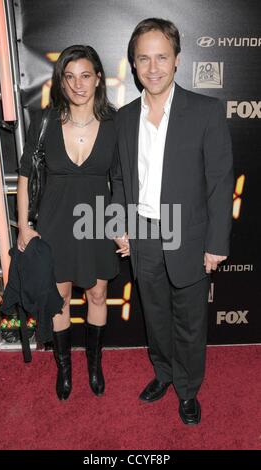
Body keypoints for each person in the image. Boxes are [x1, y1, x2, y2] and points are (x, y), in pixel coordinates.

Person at [111, 18, 234, 425]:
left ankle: (187, 389)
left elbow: (220, 183)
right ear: (133, 64)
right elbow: (120, 177)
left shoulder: (206, 111)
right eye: (143, 58)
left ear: (178, 60)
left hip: (190, 233)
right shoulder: (124, 117)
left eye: (162, 56)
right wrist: (120, 225)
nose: (153, 67)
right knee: (156, 315)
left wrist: (216, 243)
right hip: (143, 232)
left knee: (190, 320)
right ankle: (163, 373)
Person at [17, 45, 120, 400]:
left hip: (96, 221)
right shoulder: (44, 121)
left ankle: (94, 365)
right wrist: (24, 227)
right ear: (61, 80)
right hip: (55, 222)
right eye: (70, 76)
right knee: (59, 298)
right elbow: (26, 178)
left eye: (86, 75)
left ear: (98, 78)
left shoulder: (114, 123)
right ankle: (64, 370)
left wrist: (120, 225)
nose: (78, 84)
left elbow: (120, 181)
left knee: (97, 292)